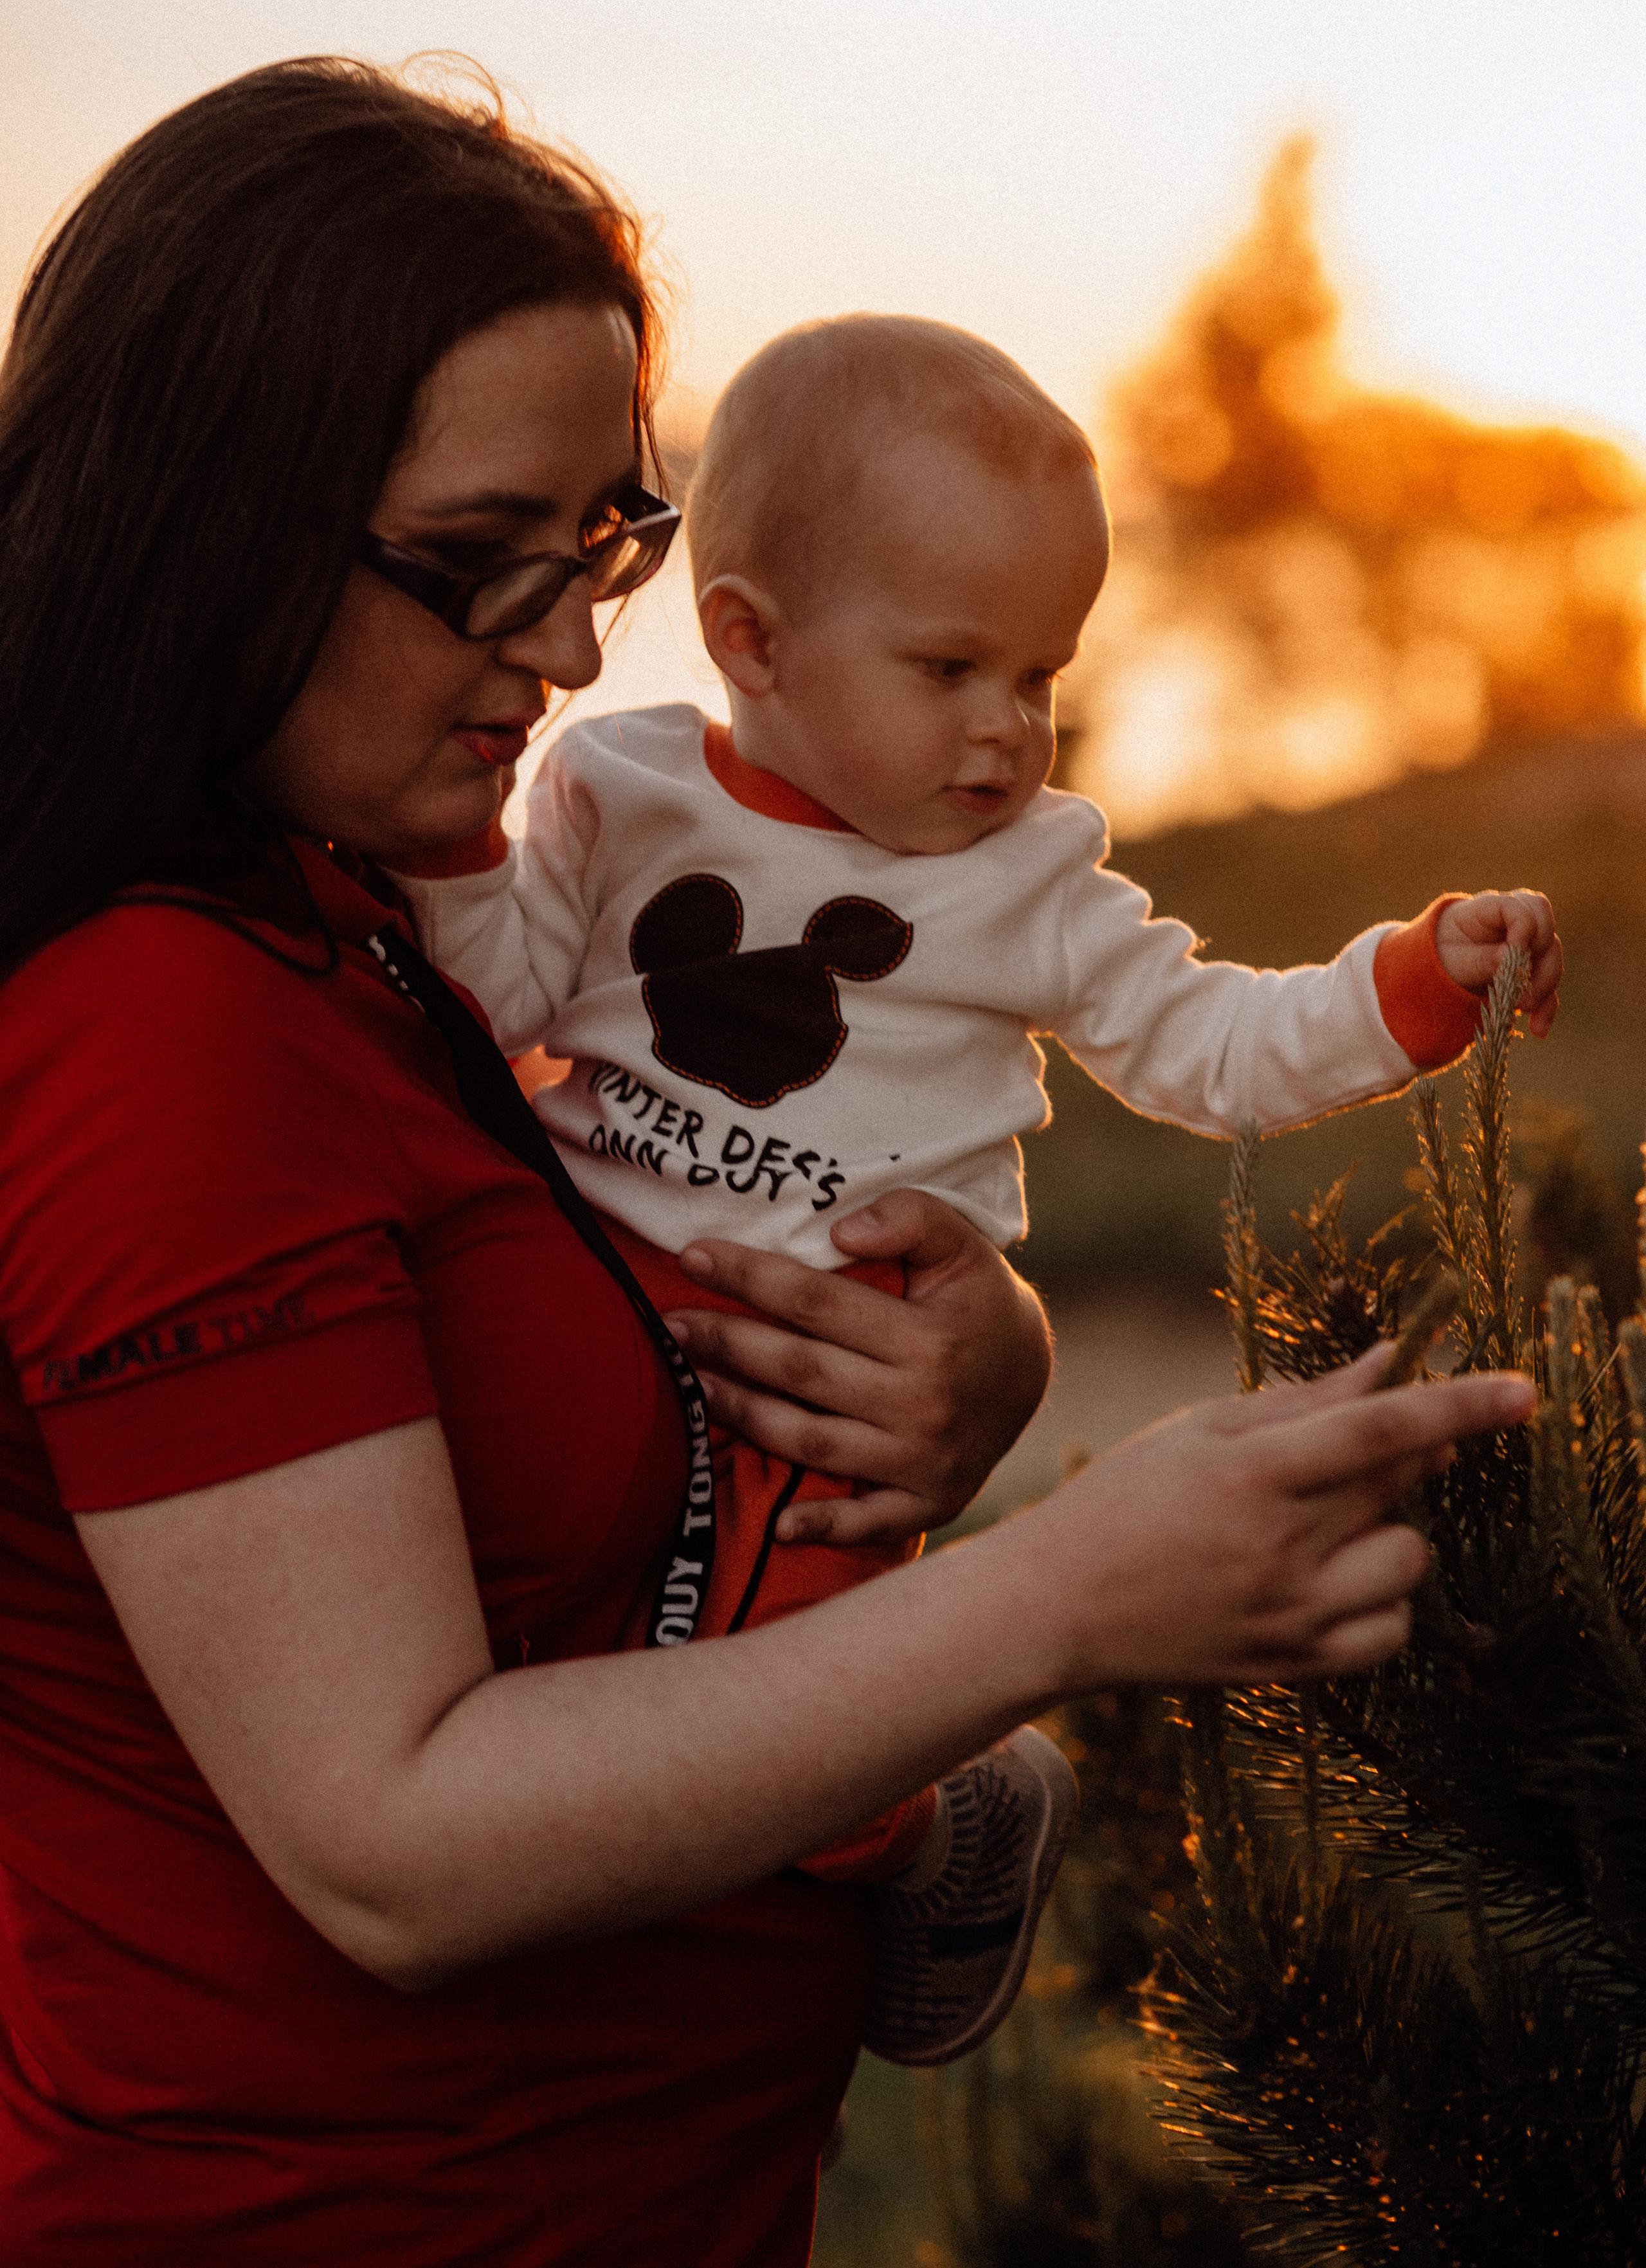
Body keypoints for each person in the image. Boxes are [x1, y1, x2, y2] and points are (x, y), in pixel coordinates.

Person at [0, 57, 1539, 2268]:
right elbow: (392, 1842)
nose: (561, 646)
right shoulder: (151, 1027)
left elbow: (590, 1261)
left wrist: (980, 1348)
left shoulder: (345, 911)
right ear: (203, 512)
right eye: (475, 566)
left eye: (603, 543)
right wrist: (1068, 1594)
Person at [392, 311, 1563, 2058]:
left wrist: (1405, 981)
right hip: (589, 1289)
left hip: (843, 1378)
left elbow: (1207, 1044)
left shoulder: (1030, 884)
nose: (1009, 730)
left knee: (814, 1729)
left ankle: (942, 1831)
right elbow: (499, 993)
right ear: (748, 639)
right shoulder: (617, 792)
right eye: (952, 670)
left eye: (1043, 676)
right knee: (548, 1671)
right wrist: (457, 850)